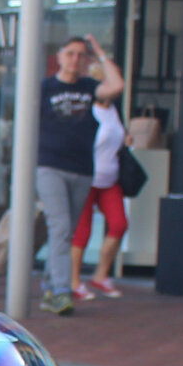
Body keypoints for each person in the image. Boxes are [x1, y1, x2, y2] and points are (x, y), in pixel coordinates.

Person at [34, 36, 125, 315]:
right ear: (60, 56)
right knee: (60, 227)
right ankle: (62, 291)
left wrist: (99, 52)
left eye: (80, 55)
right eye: (70, 53)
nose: (75, 60)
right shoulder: (45, 88)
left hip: (83, 169)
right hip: (50, 166)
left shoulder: (90, 87)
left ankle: (50, 287)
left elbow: (117, 86)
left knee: (67, 231)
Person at [70, 94, 127, 299]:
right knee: (83, 231)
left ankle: (101, 275)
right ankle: (74, 281)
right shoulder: (88, 111)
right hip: (88, 178)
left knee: (119, 223)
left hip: (109, 179)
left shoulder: (113, 110)